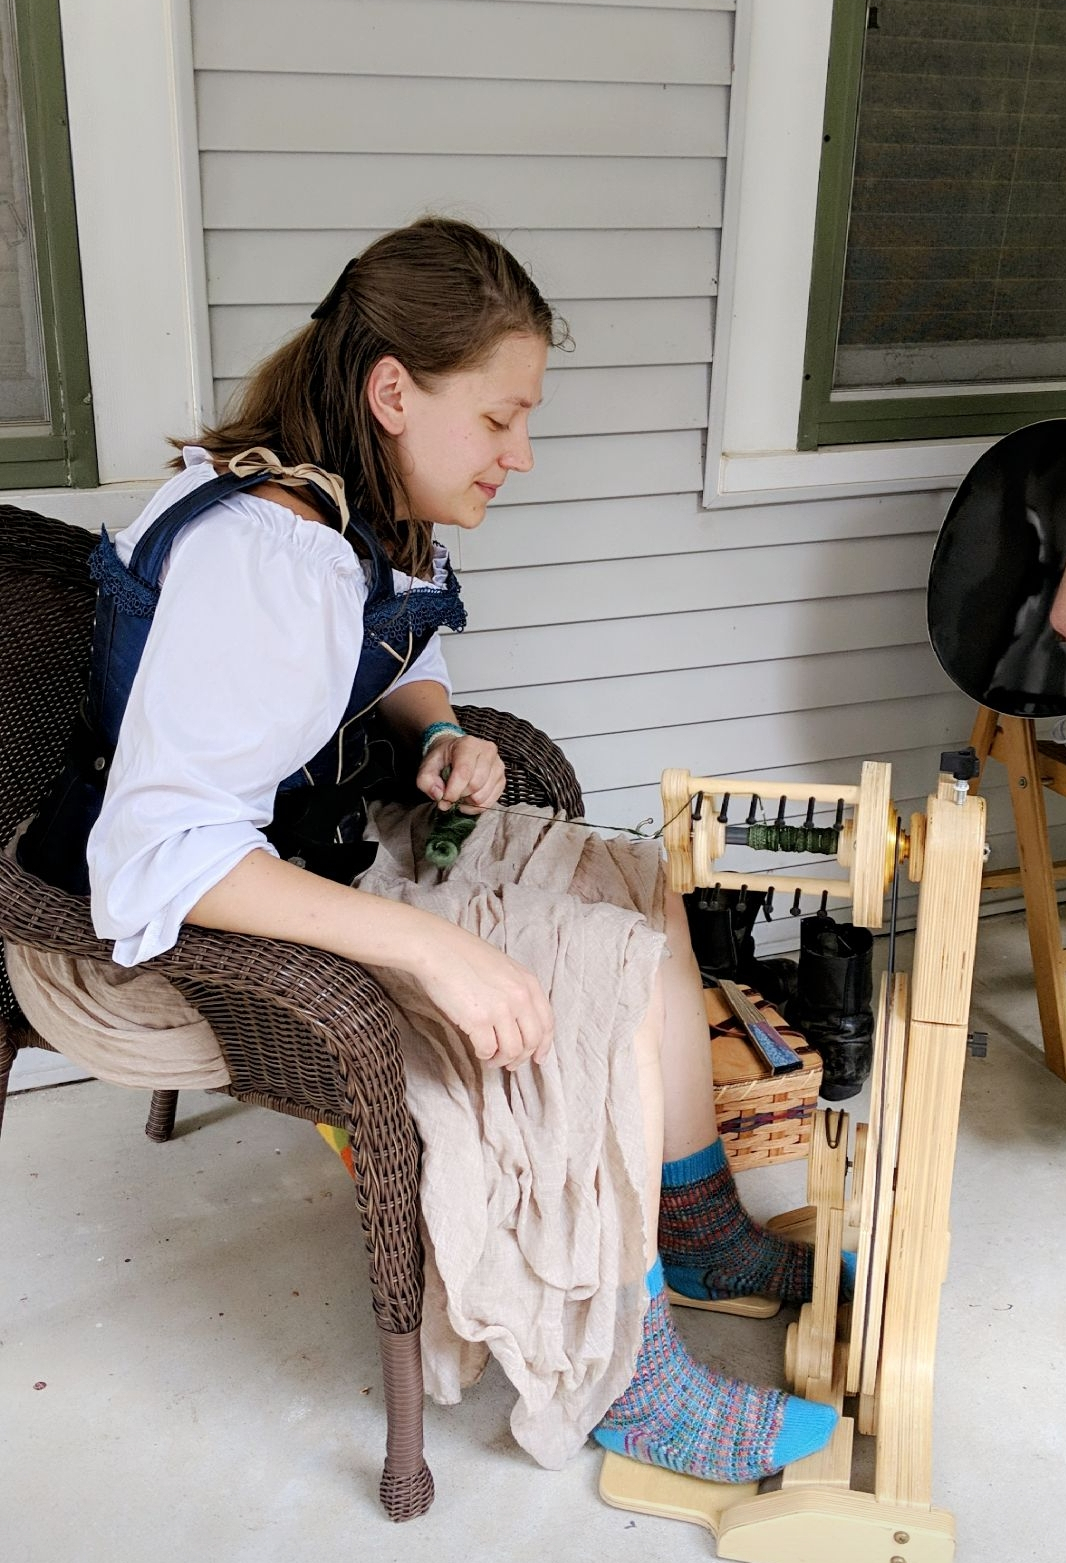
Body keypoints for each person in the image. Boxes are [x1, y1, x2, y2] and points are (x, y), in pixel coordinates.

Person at [9, 216, 837, 1484]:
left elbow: (394, 639)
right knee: (594, 984)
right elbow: (158, 852)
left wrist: (438, 729)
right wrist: (434, 951)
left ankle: (701, 1230)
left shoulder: (357, 498)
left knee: (644, 896)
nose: (521, 452)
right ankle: (625, 1380)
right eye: (499, 417)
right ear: (394, 392)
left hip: (317, 841)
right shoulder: (262, 553)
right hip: (177, 916)